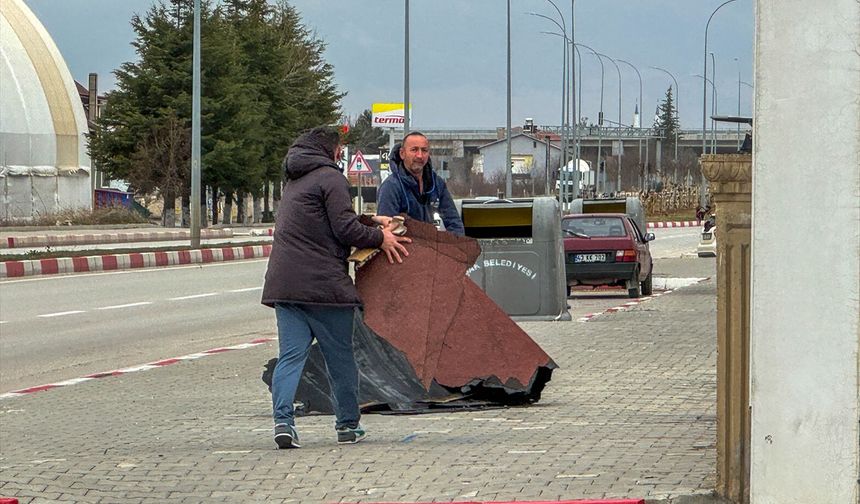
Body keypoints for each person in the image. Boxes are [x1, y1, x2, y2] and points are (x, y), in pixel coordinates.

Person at [261, 126, 411, 449]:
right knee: (340, 359)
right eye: (340, 147)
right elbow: (344, 228)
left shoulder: (296, 182)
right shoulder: (332, 178)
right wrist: (380, 238)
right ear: (330, 149)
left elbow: (327, 221)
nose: (342, 153)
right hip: (324, 288)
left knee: (290, 357)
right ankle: (347, 426)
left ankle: (283, 422)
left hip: (285, 286)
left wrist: (371, 221)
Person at [377, 131, 465, 235]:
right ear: (402, 153)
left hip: (429, 245)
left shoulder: (437, 184)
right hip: (404, 247)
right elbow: (386, 230)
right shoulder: (391, 187)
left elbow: (453, 221)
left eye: (424, 150)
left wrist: (457, 245)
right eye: (414, 150)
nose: (420, 155)